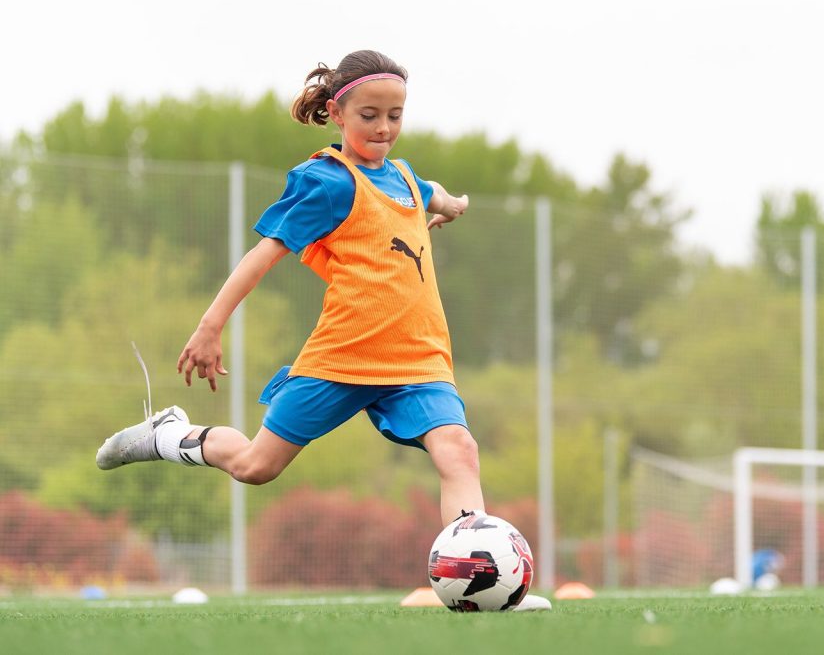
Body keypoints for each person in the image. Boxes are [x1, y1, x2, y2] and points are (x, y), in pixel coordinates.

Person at [96, 50, 550, 610]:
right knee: (254, 466)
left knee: (458, 449)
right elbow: (264, 254)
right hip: (342, 360)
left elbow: (427, 189)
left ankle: (480, 585)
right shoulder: (327, 182)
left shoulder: (405, 176)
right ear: (337, 112)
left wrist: (452, 203)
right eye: (369, 115)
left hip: (418, 362)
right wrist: (210, 326)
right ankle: (169, 435)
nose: (383, 127)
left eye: (395, 114)